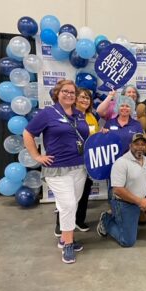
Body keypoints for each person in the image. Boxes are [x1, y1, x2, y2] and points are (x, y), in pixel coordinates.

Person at [23, 79, 89, 264]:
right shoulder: (48, 113)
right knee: (68, 205)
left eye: (72, 92)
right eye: (65, 91)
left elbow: (85, 138)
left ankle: (64, 238)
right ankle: (68, 243)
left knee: (72, 204)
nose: (69, 95)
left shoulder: (79, 114)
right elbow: (28, 133)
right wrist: (37, 156)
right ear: (57, 94)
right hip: (57, 168)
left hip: (79, 167)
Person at [96, 133, 146, 247]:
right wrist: (140, 202)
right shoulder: (121, 162)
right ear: (130, 145)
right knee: (127, 241)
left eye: (143, 144)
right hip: (124, 201)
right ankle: (106, 220)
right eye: (137, 144)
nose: (140, 147)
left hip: (144, 197)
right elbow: (117, 190)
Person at [54, 88, 99, 236]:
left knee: (84, 191)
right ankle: (60, 225)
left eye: (88, 98)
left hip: (88, 162)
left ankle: (79, 220)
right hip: (70, 161)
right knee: (67, 196)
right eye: (82, 97)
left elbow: (94, 136)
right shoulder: (68, 115)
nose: (85, 100)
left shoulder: (91, 116)